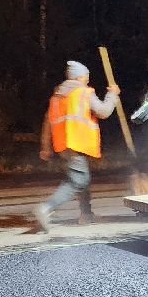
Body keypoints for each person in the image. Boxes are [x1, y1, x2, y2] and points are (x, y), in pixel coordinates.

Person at [34, 61, 119, 231]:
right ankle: (46, 208)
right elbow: (103, 111)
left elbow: (47, 122)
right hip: (76, 142)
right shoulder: (82, 92)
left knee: (82, 179)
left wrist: (46, 147)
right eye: (86, 76)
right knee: (76, 181)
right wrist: (113, 96)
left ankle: (86, 214)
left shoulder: (57, 97)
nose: (88, 79)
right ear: (80, 76)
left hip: (64, 146)